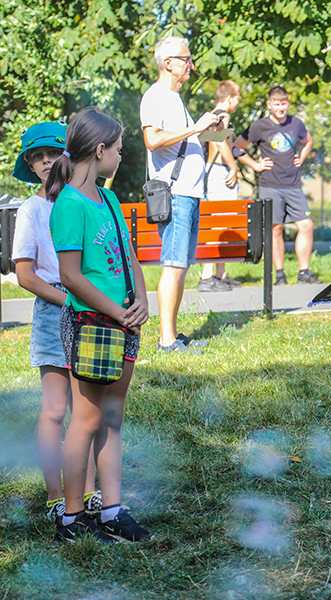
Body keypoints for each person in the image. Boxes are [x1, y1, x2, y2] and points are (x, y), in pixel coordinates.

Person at [46, 107, 153, 542]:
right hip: (92, 324)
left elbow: (128, 257)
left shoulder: (108, 199)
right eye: (119, 150)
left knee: (111, 416)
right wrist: (115, 310)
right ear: (100, 149)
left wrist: (142, 299)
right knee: (85, 421)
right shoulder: (68, 205)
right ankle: (72, 518)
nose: (122, 158)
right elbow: (70, 277)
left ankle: (110, 510)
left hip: (124, 322)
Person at [11, 121, 102, 523]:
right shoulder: (31, 209)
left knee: (89, 408)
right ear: (30, 166)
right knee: (54, 410)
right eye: (37, 158)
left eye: (52, 153)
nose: (46, 162)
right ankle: (54, 497)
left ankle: (88, 492)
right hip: (54, 310)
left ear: (68, 155)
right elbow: (25, 274)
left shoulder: (84, 200)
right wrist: (69, 298)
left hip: (92, 310)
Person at [141, 36, 222, 354]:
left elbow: (183, 141)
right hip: (175, 193)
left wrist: (213, 129)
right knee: (173, 265)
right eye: (187, 59)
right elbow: (153, 140)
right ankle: (166, 340)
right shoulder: (156, 96)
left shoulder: (174, 99)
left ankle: (173, 334)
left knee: (182, 265)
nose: (192, 65)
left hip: (189, 193)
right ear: (168, 62)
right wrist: (196, 128)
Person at [235, 86, 320, 286]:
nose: (280, 107)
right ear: (269, 104)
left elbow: (308, 141)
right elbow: (236, 147)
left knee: (306, 226)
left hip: (293, 184)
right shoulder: (259, 126)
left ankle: (304, 273)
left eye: (284, 103)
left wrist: (303, 157)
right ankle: (280, 274)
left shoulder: (296, 123)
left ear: (288, 103)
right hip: (270, 184)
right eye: (276, 103)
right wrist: (255, 165)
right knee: (275, 229)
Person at [198, 80, 243, 292]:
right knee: (219, 225)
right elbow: (218, 140)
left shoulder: (214, 114)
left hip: (211, 172)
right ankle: (207, 277)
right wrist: (233, 167)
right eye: (238, 98)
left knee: (222, 224)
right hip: (219, 170)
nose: (239, 102)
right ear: (229, 98)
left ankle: (220, 274)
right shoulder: (223, 115)